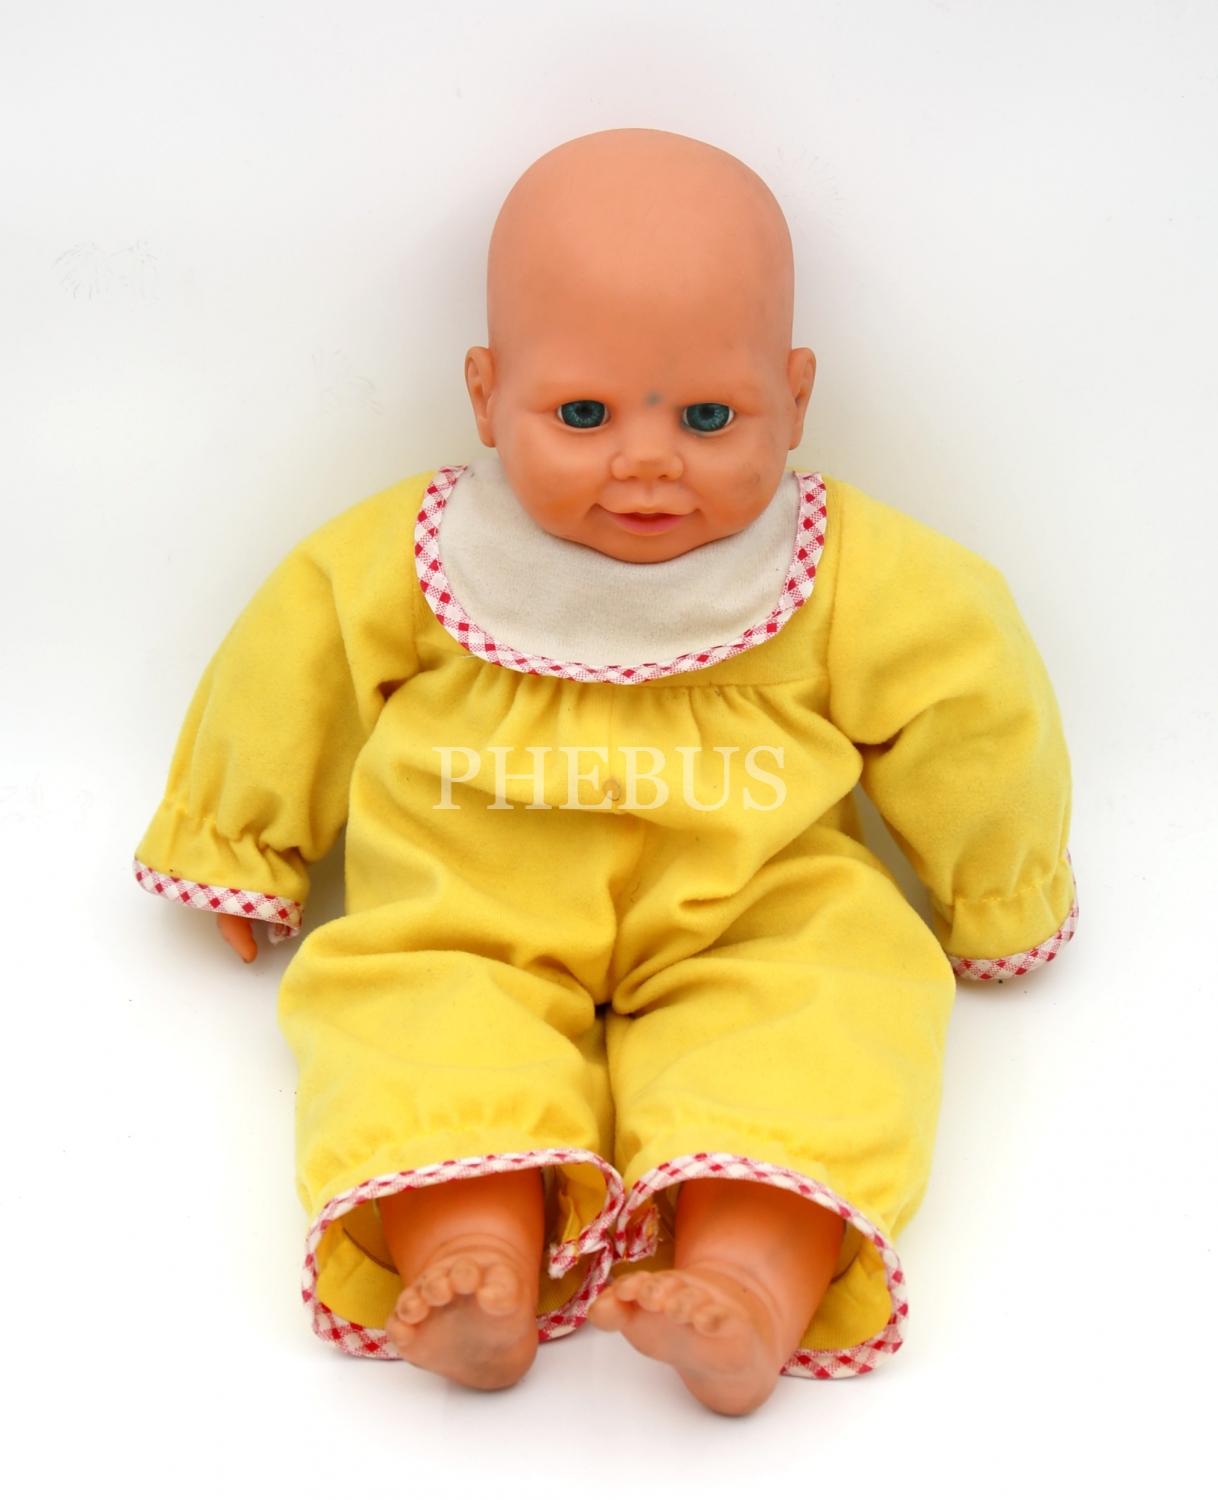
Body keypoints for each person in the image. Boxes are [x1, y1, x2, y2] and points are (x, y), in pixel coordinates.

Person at [135, 129, 1075, 1414]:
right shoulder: (419, 552)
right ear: (486, 395)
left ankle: (748, 1281)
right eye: (582, 414)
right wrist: (237, 839)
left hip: (753, 902)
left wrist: (996, 890)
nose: (646, 458)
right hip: (468, 904)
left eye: (708, 416)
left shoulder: (847, 568)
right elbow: (291, 667)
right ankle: (470, 1247)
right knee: (416, 1018)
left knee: (825, 1017)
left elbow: (973, 702)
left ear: (795, 396)